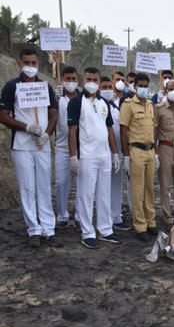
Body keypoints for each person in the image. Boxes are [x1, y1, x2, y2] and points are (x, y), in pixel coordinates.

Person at [0, 47, 61, 248]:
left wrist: (46, 134)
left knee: (44, 186)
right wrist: (26, 127)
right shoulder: (11, 87)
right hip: (22, 145)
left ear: (38, 64)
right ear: (19, 63)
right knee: (27, 187)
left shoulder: (45, 87)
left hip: (42, 144)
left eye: (34, 63)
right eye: (27, 63)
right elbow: (3, 115)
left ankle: (48, 229)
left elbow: (53, 114)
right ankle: (33, 229)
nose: (31, 66)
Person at [68, 68, 121, 249]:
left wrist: (115, 153)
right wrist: (73, 156)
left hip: (104, 155)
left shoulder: (104, 103)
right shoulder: (76, 102)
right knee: (86, 194)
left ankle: (105, 229)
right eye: (88, 79)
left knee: (104, 193)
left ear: (99, 82)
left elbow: (109, 130)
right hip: (87, 156)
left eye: (94, 79)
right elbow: (72, 130)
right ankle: (87, 232)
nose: (92, 82)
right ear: (84, 80)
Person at [120, 73, 159, 242]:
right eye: (140, 85)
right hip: (135, 150)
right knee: (137, 189)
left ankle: (151, 222)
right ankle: (140, 225)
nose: (143, 88)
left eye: (145, 85)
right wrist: (126, 156)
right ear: (135, 87)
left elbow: (154, 129)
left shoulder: (151, 105)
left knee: (150, 188)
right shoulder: (128, 105)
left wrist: (156, 151)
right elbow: (123, 131)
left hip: (150, 150)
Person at [99, 76, 130, 232]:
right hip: (101, 151)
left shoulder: (119, 105)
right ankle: (105, 218)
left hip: (117, 151)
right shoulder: (97, 104)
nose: (106, 90)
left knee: (117, 184)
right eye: (103, 87)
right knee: (104, 186)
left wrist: (121, 153)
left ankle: (116, 216)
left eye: (108, 87)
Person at [154, 79, 174, 222]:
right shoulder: (158, 109)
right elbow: (154, 131)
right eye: (171, 89)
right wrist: (155, 152)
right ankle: (167, 214)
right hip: (164, 148)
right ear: (165, 91)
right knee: (165, 182)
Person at [54, 65, 80, 229]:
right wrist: (54, 99)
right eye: (67, 79)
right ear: (62, 80)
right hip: (62, 147)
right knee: (61, 182)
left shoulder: (82, 98)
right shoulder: (57, 98)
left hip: (81, 148)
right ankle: (62, 214)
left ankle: (79, 215)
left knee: (81, 184)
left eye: (73, 79)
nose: (70, 82)